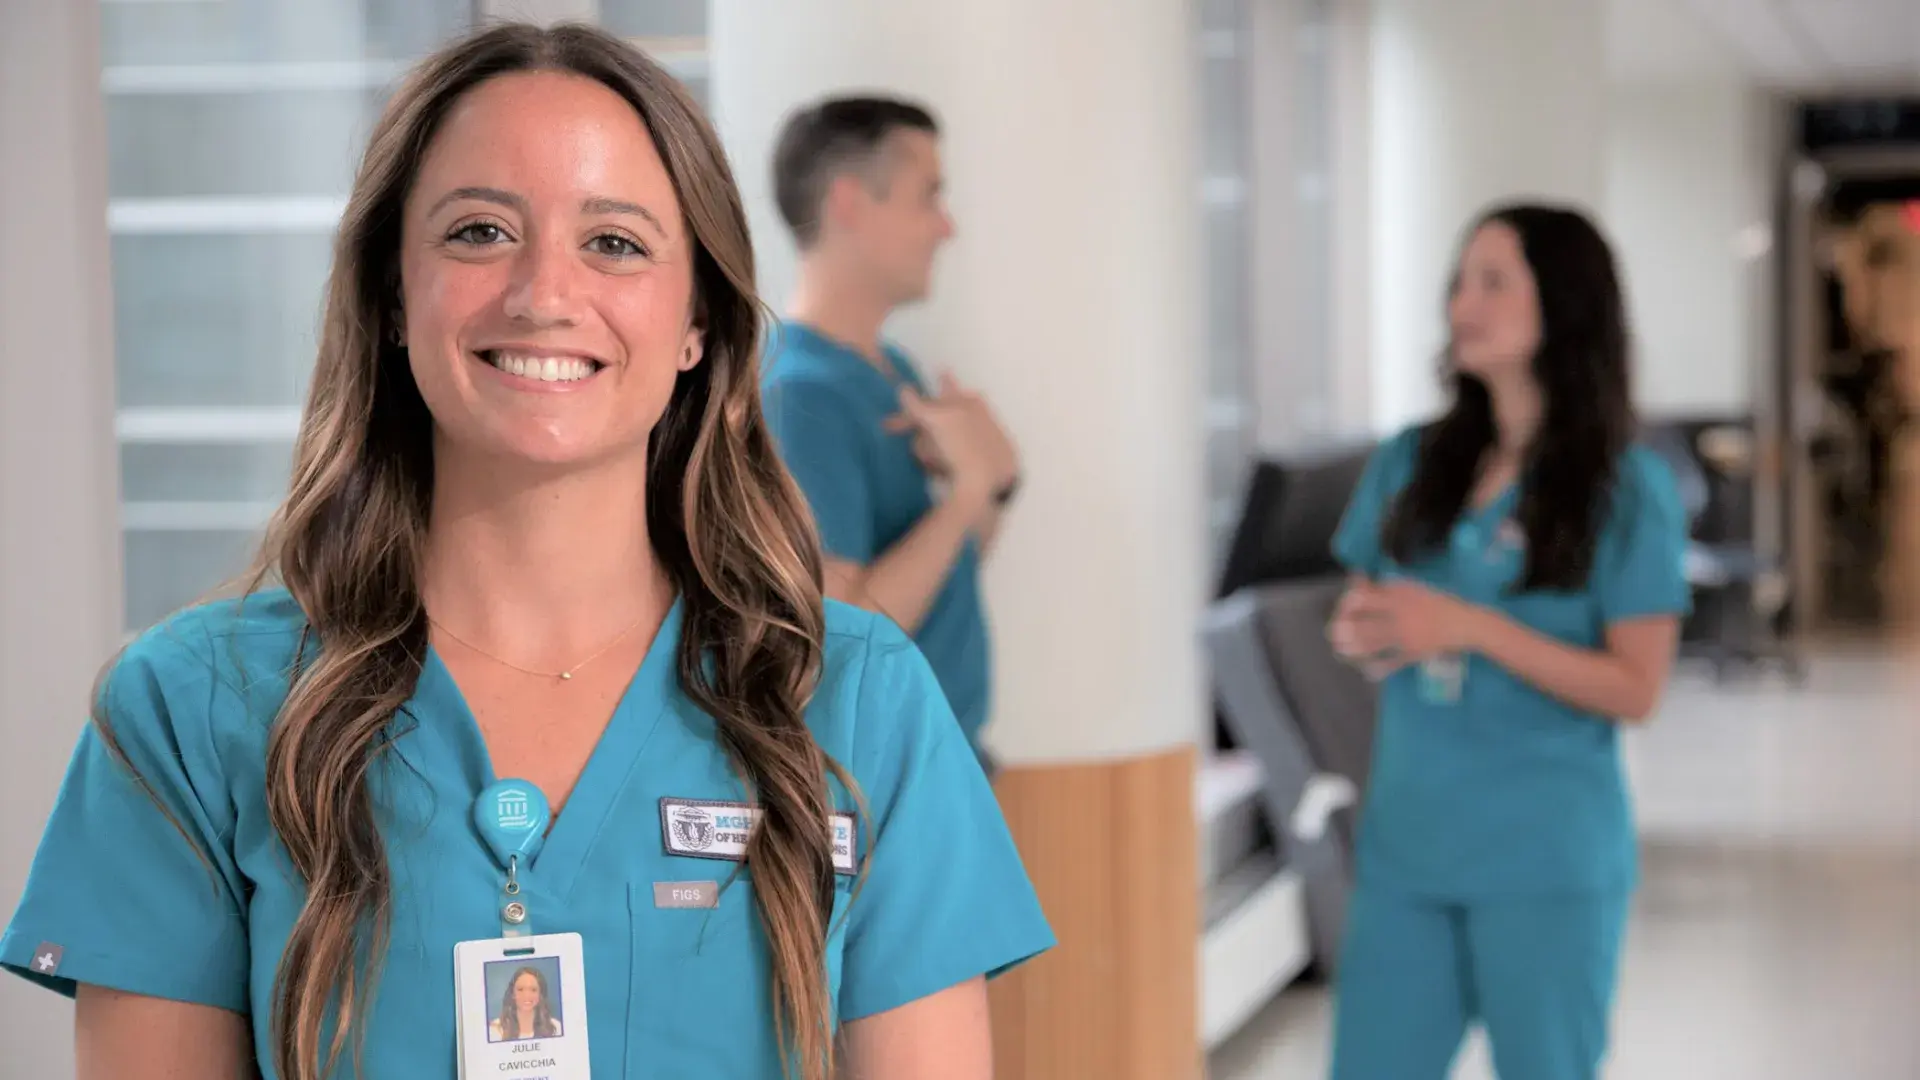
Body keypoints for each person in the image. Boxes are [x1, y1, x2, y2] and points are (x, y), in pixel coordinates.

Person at [0, 23, 1052, 1080]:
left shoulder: (862, 703)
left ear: (696, 321)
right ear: (393, 297)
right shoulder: (193, 711)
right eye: (478, 233)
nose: (545, 293)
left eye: (615, 243)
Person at [1324, 203, 1688, 1080]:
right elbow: (1362, 609)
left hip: (1544, 862)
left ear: (1562, 305)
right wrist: (1365, 632)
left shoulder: (1626, 489)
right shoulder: (1412, 461)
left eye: (1494, 282)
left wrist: (1471, 628)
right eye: (1459, 281)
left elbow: (1637, 689)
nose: (1463, 305)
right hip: (1408, 856)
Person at [759, 96, 1019, 771]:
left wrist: (992, 485)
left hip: (942, 756)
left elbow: (949, 568)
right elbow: (837, 633)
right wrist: (965, 491)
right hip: (876, 779)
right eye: (928, 197)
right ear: (849, 203)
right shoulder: (800, 396)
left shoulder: (891, 371)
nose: (947, 227)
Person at [490, 967, 562, 1042]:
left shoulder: (556, 1028)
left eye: (533, 990)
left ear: (540, 995)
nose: (526, 995)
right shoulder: (495, 1030)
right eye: (520, 989)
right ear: (512, 994)